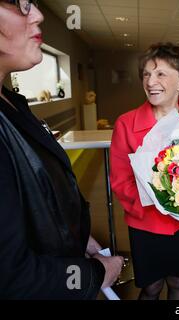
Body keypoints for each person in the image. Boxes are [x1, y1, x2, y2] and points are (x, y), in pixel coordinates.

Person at [0, 0, 124, 299]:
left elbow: (40, 205)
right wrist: (95, 274)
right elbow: (13, 278)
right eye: (19, 3)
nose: (39, 15)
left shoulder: (12, 103)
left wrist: (81, 239)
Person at [110, 43, 179, 300]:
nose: (150, 81)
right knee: (152, 286)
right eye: (146, 74)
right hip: (145, 222)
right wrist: (151, 202)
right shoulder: (126, 123)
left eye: (160, 74)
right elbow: (120, 180)